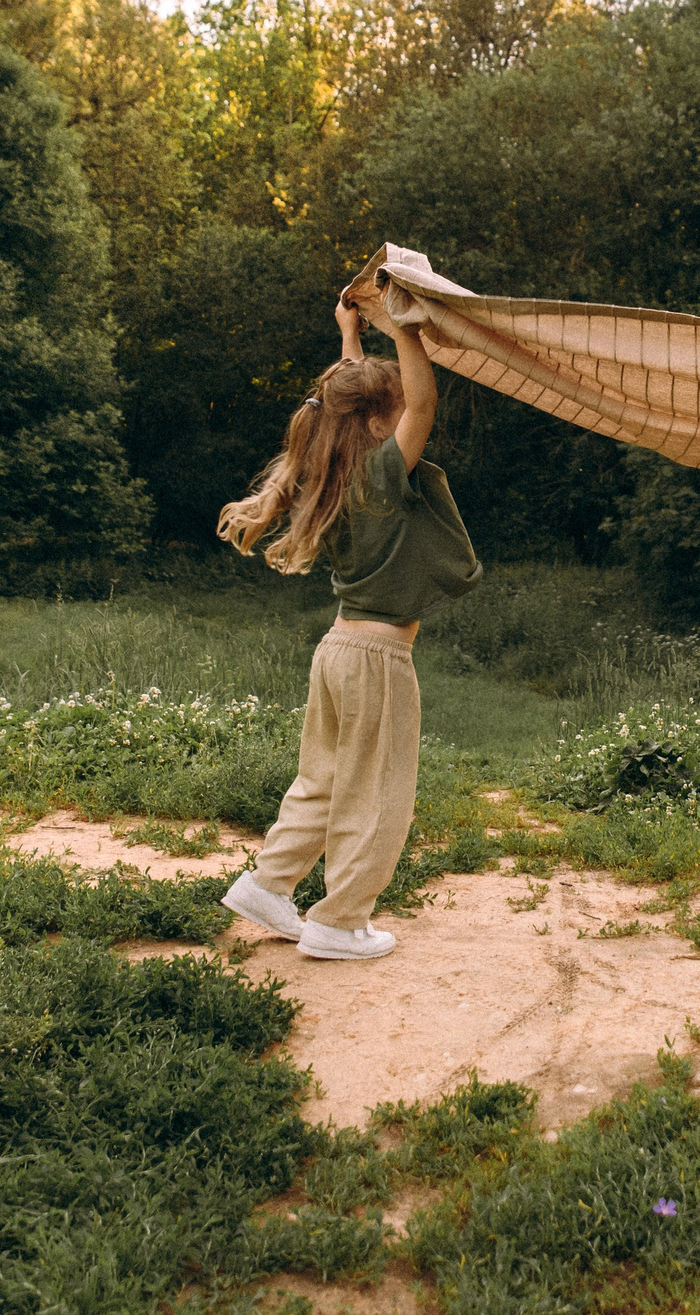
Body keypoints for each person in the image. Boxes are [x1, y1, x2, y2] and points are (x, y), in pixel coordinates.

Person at [214, 292, 481, 959]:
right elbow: (422, 404)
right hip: (377, 661)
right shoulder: (383, 474)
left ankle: (268, 885)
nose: (406, 414)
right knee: (377, 793)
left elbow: (351, 401)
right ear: (379, 422)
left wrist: (351, 336)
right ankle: (340, 921)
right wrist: (404, 330)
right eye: (395, 409)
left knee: (325, 780)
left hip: (337, 651)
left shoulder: (329, 474)